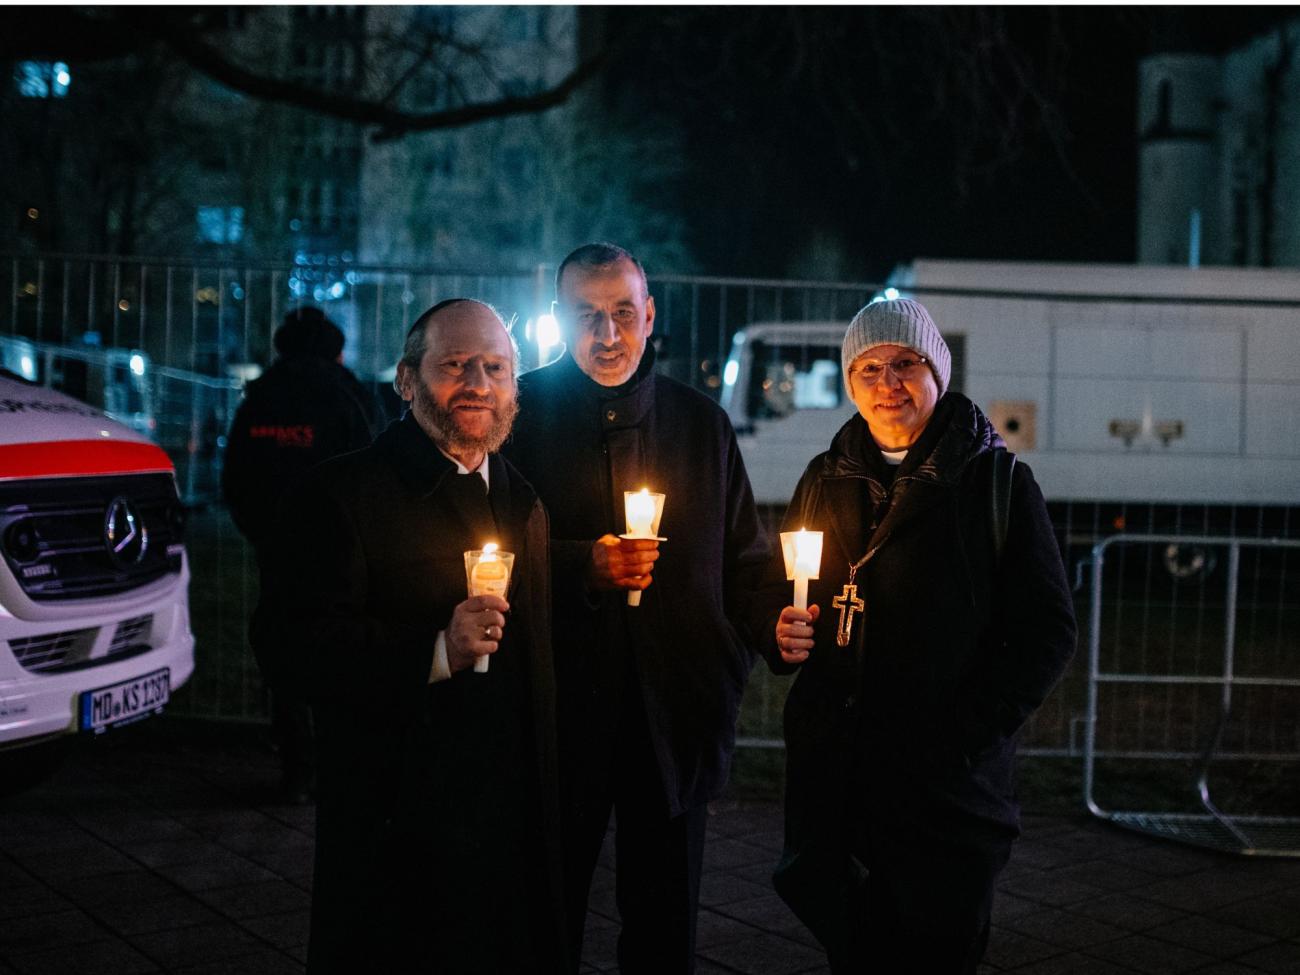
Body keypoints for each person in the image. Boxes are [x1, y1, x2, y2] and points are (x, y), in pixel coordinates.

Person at [755, 298, 1077, 973]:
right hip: (840, 785)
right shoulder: (827, 474)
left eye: (906, 363)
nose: (887, 381)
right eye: (869, 367)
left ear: (938, 373)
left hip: (945, 794)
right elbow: (793, 597)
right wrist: (780, 630)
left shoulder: (995, 483)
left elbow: (1048, 632)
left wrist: (959, 738)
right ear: (849, 381)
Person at [276, 299, 568, 974]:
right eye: (455, 364)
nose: (477, 382)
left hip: (509, 823)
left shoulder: (524, 501)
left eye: (495, 366)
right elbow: (294, 644)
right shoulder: (341, 495)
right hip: (395, 824)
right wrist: (437, 650)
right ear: (408, 380)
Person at [503, 243, 770, 973]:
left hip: (672, 716)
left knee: (663, 926)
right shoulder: (519, 419)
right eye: (587, 315)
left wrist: (769, 627)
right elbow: (482, 555)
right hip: (557, 717)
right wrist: (579, 563)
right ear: (557, 321)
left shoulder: (700, 426)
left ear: (650, 315)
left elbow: (746, 558)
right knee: (541, 918)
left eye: (623, 312)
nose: (608, 333)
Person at [222, 306, 382, 803]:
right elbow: (375, 465)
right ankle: (345, 765)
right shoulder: (349, 395)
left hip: (277, 547)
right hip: (342, 549)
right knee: (346, 648)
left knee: (286, 648)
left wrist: (263, 533)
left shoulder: (260, 397)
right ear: (335, 350)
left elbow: (236, 476)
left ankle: (298, 769)